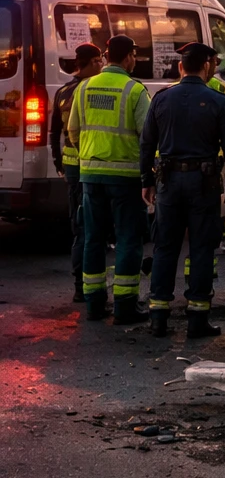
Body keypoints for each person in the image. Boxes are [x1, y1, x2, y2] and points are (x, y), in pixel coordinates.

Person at [140, 43, 225, 338]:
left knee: (165, 247)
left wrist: (146, 181)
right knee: (201, 249)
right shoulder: (217, 101)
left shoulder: (161, 98)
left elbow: (147, 144)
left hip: (168, 184)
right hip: (203, 184)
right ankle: (197, 319)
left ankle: (158, 316)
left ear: (181, 67)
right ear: (206, 68)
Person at [67, 35, 151, 323]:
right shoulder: (135, 90)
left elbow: (73, 131)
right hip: (126, 177)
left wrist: (90, 156)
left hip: (90, 175)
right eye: (134, 56)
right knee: (129, 238)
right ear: (128, 57)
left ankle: (93, 303)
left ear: (105, 56)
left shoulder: (84, 87)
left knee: (93, 238)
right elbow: (148, 138)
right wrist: (148, 173)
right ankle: (125, 305)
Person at [50, 43, 104, 303]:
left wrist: (58, 162)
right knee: (92, 229)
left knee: (80, 227)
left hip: (72, 169)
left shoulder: (63, 91)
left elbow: (54, 132)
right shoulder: (88, 90)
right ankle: (90, 286)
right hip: (92, 167)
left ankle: (80, 286)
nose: (102, 65)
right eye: (100, 61)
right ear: (92, 62)